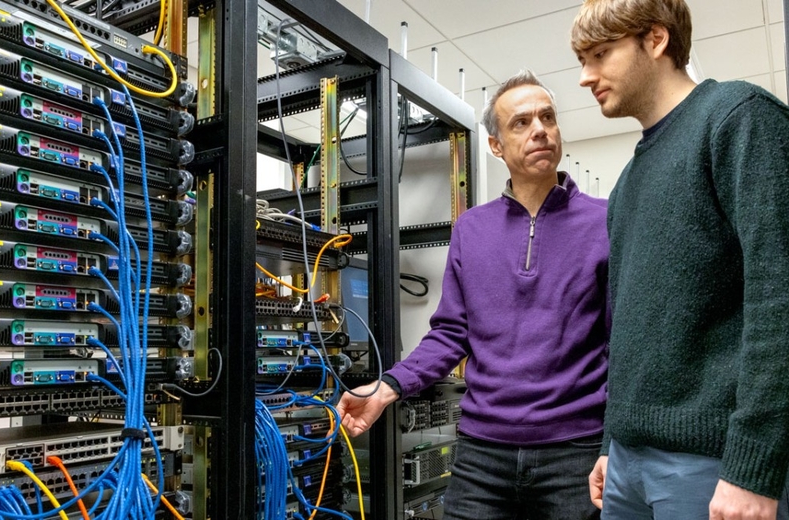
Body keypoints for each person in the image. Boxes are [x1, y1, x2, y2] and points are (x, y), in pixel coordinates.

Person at [335, 69, 610, 520]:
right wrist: (387, 389)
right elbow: (450, 334)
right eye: (521, 122)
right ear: (496, 145)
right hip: (483, 455)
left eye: (547, 117)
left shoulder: (605, 221)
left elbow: (625, 343)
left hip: (576, 453)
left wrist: (615, 440)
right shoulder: (472, 228)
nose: (539, 129)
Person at [571, 1, 789, 519]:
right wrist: (609, 441)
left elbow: (778, 297)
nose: (585, 77)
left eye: (600, 54)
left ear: (655, 39)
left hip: (713, 467)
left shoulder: (738, 118)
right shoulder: (626, 183)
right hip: (626, 465)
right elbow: (625, 328)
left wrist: (751, 467)